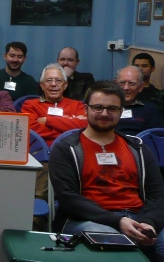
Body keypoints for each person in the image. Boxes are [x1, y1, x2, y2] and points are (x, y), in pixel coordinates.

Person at [49, 81, 164, 262]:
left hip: (139, 218)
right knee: (120, 249)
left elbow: (158, 196)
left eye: (112, 108)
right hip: (88, 220)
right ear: (85, 109)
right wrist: (117, 221)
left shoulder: (138, 149)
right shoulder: (67, 148)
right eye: (98, 107)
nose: (104, 113)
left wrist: (148, 223)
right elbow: (68, 198)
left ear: (120, 112)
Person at [21, 63, 87, 204]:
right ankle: (39, 211)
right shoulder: (30, 105)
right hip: (40, 152)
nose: (53, 84)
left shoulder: (78, 105)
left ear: (65, 85)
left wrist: (47, 120)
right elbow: (32, 129)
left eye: (58, 81)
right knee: (49, 160)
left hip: (71, 152)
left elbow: (83, 127)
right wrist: (68, 123)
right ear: (42, 85)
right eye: (49, 80)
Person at [115, 66, 164, 135]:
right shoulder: (104, 108)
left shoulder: (150, 109)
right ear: (115, 84)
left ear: (141, 87)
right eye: (122, 82)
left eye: (132, 83)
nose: (126, 88)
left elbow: (158, 138)